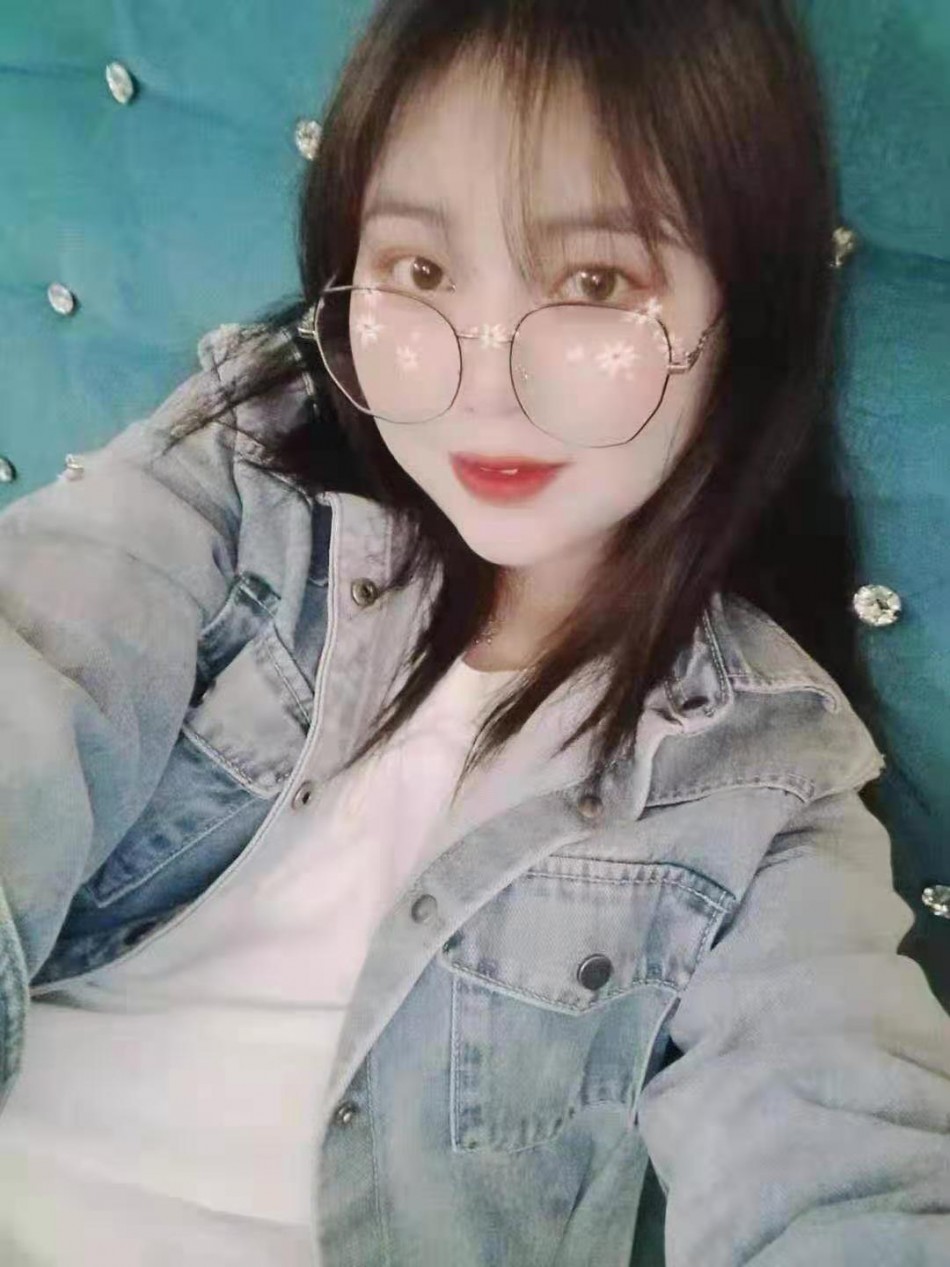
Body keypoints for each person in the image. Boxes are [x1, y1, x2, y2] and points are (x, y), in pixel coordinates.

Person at [1, 0, 949, 1263]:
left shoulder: (758, 774)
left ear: (746, 313)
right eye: (420, 272)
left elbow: (832, 1154)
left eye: (595, 282)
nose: (482, 380)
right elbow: (36, 672)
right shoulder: (235, 476)